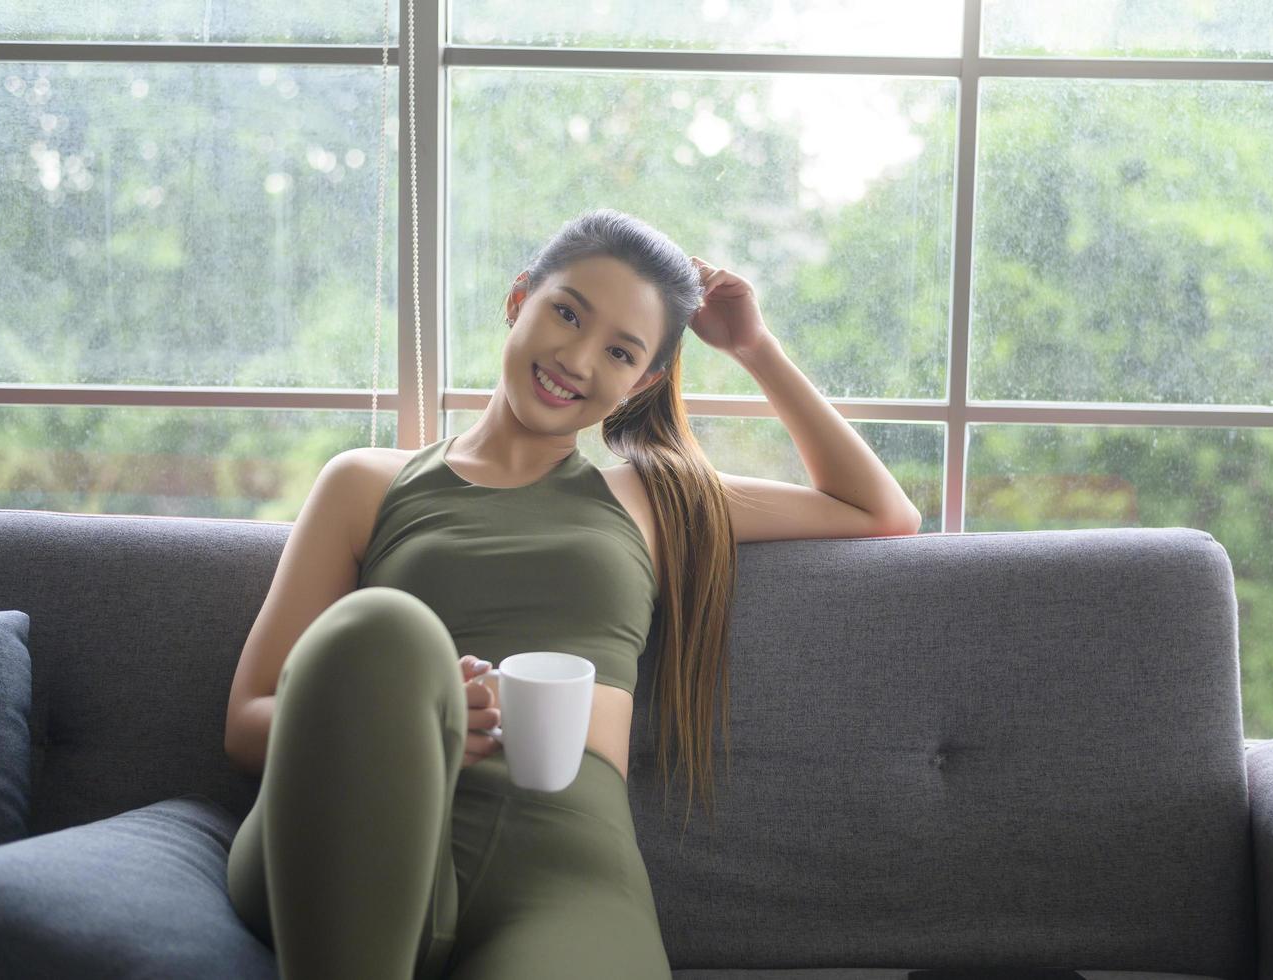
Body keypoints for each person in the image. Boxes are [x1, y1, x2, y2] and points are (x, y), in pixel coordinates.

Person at [220, 208, 922, 980]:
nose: (577, 359)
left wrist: (755, 349)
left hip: (561, 868)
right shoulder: (363, 483)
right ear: (520, 300)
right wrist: (416, 716)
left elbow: (881, 514)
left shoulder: (658, 498)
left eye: (619, 351)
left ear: (641, 383)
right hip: (352, 826)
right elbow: (249, 718)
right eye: (566, 313)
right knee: (385, 629)